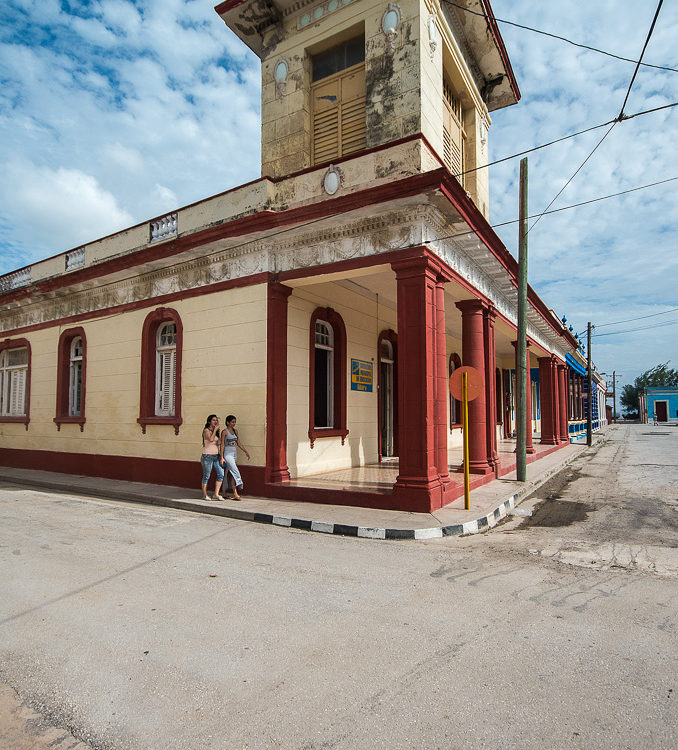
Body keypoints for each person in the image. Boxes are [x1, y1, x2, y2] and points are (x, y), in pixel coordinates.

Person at [220, 414, 250, 500]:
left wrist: (245, 451)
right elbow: (222, 445)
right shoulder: (224, 432)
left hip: (234, 453)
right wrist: (222, 457)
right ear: (227, 422)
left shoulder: (236, 431)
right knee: (234, 471)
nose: (234, 423)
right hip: (227, 453)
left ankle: (224, 492)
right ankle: (235, 492)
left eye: (235, 422)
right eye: (232, 422)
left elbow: (239, 443)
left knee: (228, 473)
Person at [201, 414, 224, 500]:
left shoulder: (215, 432)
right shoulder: (206, 430)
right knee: (206, 475)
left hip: (216, 456)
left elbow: (215, 442)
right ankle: (204, 495)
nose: (216, 421)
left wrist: (218, 442)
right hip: (207, 456)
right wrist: (215, 430)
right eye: (214, 420)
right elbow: (210, 439)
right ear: (209, 421)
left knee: (221, 474)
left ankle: (216, 494)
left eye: (216, 420)